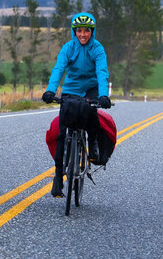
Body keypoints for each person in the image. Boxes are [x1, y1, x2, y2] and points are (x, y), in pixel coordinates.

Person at [42, 12, 111, 197]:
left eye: (86, 31)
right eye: (79, 31)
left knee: (92, 113)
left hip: (91, 89)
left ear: (92, 32)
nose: (82, 34)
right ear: (74, 32)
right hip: (71, 89)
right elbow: (58, 69)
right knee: (62, 134)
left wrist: (103, 95)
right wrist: (50, 90)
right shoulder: (68, 48)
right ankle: (58, 178)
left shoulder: (97, 49)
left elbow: (102, 72)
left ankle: (93, 142)